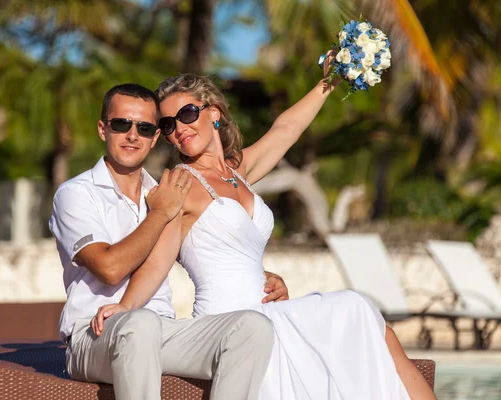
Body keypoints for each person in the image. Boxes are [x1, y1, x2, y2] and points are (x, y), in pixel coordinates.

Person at [107, 65, 438, 397]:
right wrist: (126, 307)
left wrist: (332, 78)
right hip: (229, 321)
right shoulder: (181, 183)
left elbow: (287, 129)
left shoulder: (238, 172)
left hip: (266, 309)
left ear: (214, 113)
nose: (179, 127)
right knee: (356, 309)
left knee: (372, 325)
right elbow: (157, 262)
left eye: (187, 113)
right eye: (168, 124)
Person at [49, 83, 290, 400]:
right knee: (140, 324)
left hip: (163, 331)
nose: (133, 135)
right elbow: (109, 267)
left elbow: (205, 246)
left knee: (252, 328)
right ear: (102, 129)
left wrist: (261, 275)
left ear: (154, 138)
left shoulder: (167, 189)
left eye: (146, 128)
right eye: (122, 124)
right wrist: (160, 213)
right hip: (94, 335)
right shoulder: (77, 193)